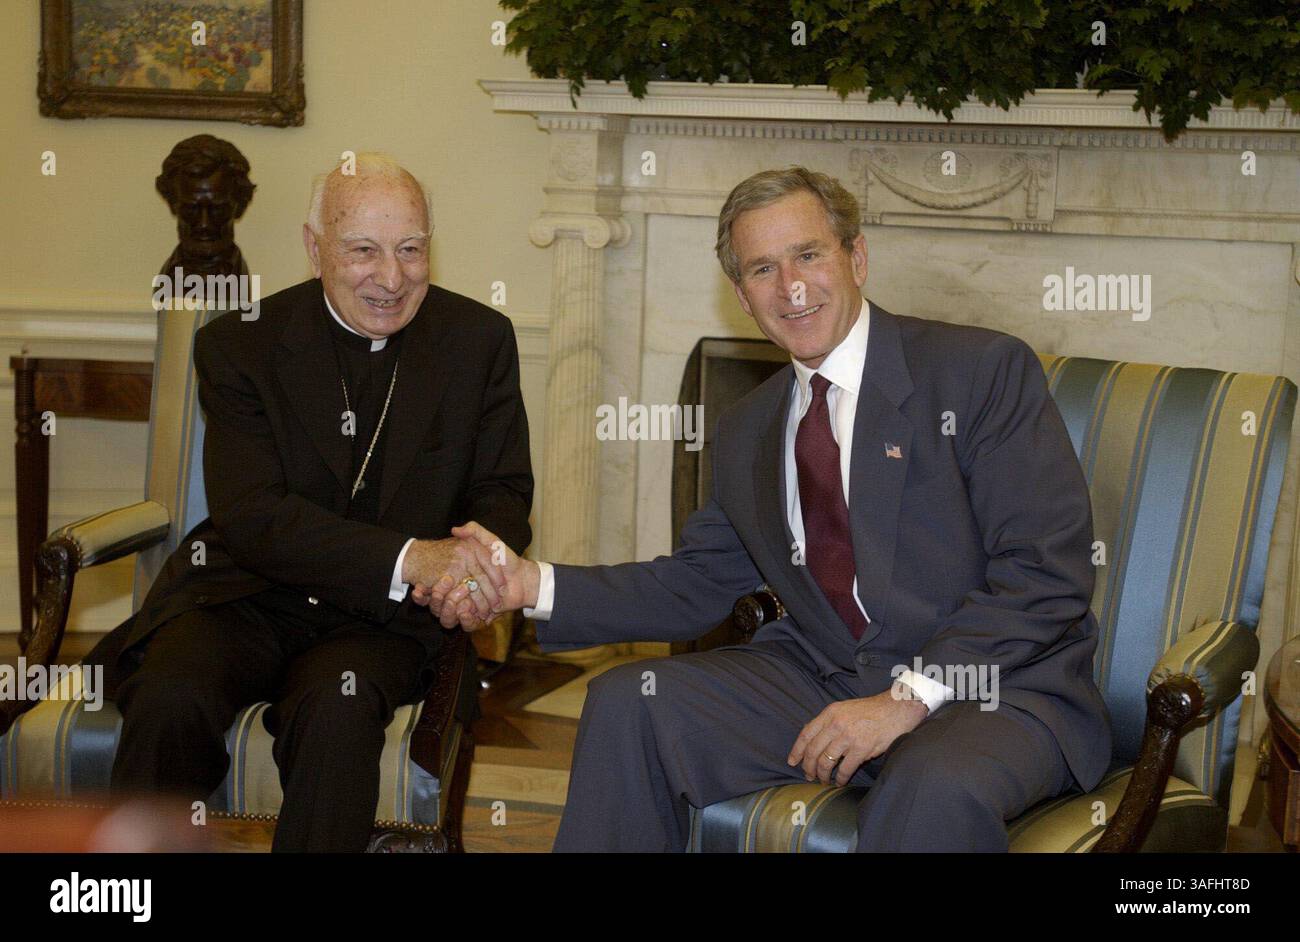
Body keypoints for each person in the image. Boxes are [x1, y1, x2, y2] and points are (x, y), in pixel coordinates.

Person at [420, 166, 1112, 852]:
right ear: (741, 296)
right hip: (825, 677)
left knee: (931, 784)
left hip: (993, 690)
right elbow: (695, 585)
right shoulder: (750, 427)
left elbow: (1045, 573)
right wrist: (525, 585)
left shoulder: (978, 371)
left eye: (809, 255)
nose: (792, 287)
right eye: (762, 269)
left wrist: (903, 700)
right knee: (635, 701)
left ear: (857, 257)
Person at [89, 153, 533, 852]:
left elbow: (503, 491)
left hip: (386, 621)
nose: (391, 277)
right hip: (248, 595)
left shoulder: (477, 341)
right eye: (363, 250)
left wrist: (473, 568)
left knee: (339, 709)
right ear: (314, 246)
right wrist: (417, 558)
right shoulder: (241, 343)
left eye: (411, 249)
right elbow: (254, 516)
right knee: (171, 695)